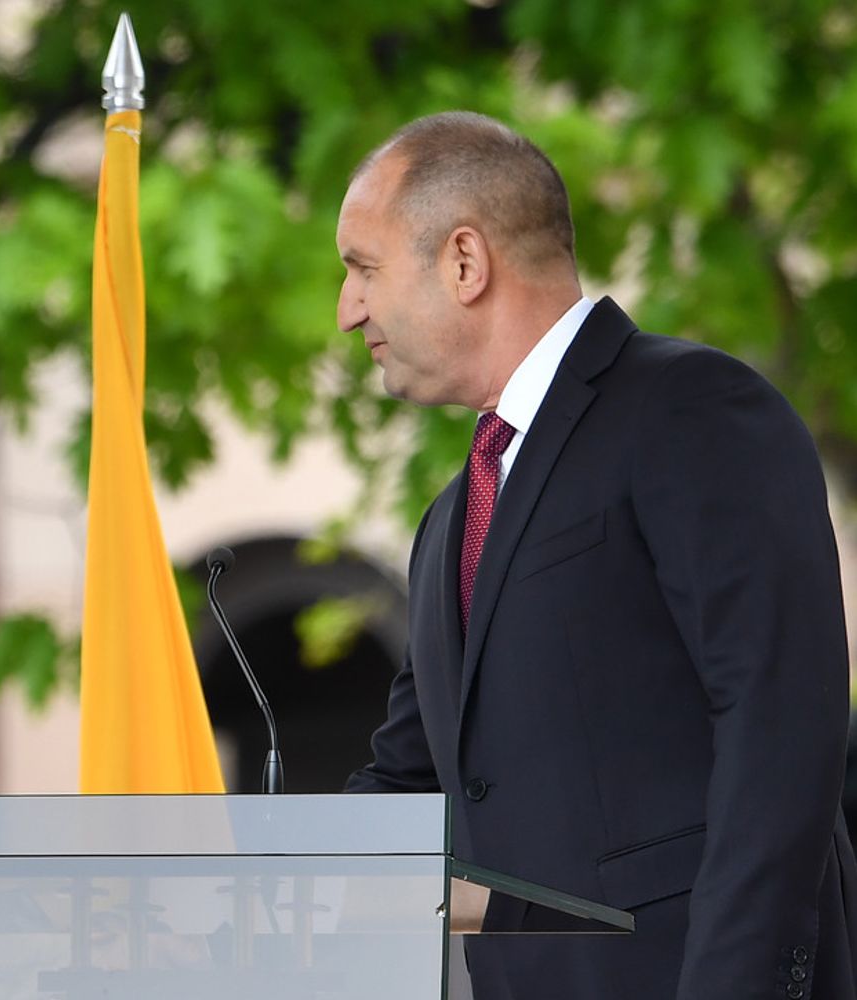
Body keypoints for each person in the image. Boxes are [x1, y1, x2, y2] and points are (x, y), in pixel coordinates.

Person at [339, 112, 857, 1000]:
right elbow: (410, 783)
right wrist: (227, 890)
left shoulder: (692, 410)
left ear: (465, 263)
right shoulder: (449, 521)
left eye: (362, 269)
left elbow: (779, 728)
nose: (348, 312)